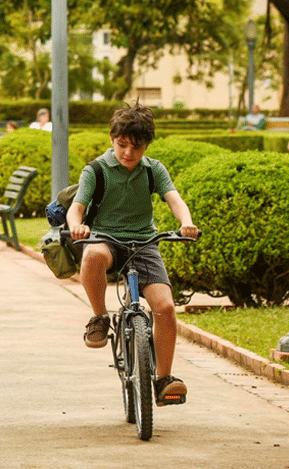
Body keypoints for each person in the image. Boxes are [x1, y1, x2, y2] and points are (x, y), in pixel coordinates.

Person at [66, 102, 199, 406]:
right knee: (92, 257)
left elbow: (174, 199)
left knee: (165, 308)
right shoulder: (96, 170)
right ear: (112, 139)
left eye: (136, 147)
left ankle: (164, 378)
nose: (128, 153)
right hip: (106, 239)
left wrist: (186, 222)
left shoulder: (154, 169)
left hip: (144, 243)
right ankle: (100, 317)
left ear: (147, 145)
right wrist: (77, 227)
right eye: (122, 145)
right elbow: (77, 208)